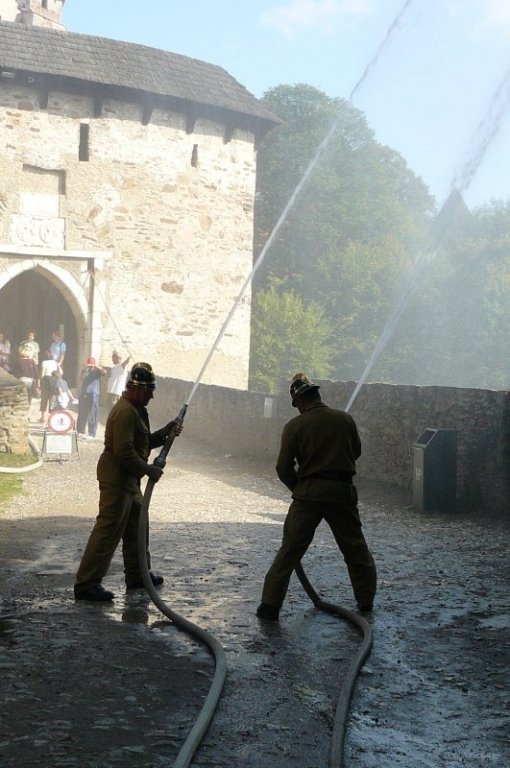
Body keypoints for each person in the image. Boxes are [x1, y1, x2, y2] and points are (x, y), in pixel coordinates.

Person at [257, 373, 377, 621]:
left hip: (308, 496)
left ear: (300, 402)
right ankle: (365, 601)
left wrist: (300, 488)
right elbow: (356, 451)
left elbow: (283, 468)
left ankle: (269, 605)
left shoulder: (294, 426)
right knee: (355, 549)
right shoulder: (345, 419)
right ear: (317, 395)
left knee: (289, 551)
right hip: (341, 493)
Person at [74, 362, 183, 601]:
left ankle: (138, 575)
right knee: (108, 530)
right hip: (117, 479)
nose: (151, 396)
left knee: (137, 528)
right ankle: (87, 584)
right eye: (148, 391)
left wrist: (165, 432)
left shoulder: (136, 410)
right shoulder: (125, 412)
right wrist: (148, 470)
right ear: (136, 389)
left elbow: (141, 443)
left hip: (129, 480)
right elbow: (123, 450)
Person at [76, 357, 106, 439]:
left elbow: (104, 372)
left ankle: (91, 434)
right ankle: (80, 431)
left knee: (93, 413)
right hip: (84, 393)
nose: (90, 367)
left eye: (91, 365)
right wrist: (83, 370)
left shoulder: (97, 371)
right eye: (89, 365)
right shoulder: (85, 371)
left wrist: (97, 366)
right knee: (82, 413)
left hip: (93, 394)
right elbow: (80, 380)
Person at [39, 350, 60, 422]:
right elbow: (58, 373)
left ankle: (42, 417)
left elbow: (42, 374)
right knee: (52, 399)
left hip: (46, 380)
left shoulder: (44, 362)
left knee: (44, 399)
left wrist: (40, 382)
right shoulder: (55, 363)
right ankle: (51, 417)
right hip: (53, 380)